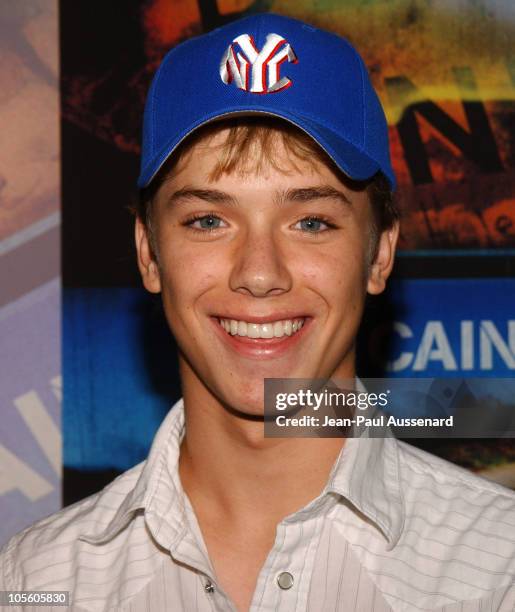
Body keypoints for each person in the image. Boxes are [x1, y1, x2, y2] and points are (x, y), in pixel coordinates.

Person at [1, 13, 514, 612]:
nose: (260, 272)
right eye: (209, 220)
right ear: (149, 252)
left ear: (380, 253)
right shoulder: (34, 579)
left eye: (311, 221)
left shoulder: (499, 569)